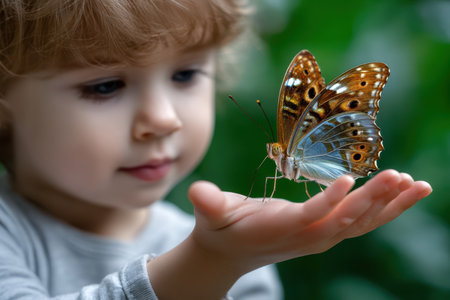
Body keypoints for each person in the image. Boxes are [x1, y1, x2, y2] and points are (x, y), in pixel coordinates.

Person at [0, 0, 432, 299]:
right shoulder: (229, 251)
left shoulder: (245, 255)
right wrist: (209, 262)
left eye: (185, 74)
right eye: (105, 85)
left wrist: (226, 259)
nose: (165, 119)